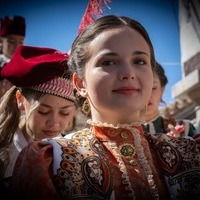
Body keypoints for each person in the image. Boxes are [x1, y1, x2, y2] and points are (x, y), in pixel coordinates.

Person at [9, 15, 200, 200]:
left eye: (139, 61)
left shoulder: (190, 152)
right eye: (108, 62)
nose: (128, 73)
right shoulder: (50, 162)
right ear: (80, 83)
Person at [0, 45, 77, 194]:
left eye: (65, 113)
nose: (54, 123)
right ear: (20, 100)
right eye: (43, 111)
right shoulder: (4, 149)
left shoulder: (72, 153)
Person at [141, 62, 197, 137]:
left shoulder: (185, 129)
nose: (147, 96)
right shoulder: (121, 135)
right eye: (138, 89)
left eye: (153, 88)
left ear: (162, 89)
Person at [0, 16, 26, 98]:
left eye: (21, 42)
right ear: (1, 41)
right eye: (11, 41)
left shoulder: (25, 67)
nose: (17, 46)